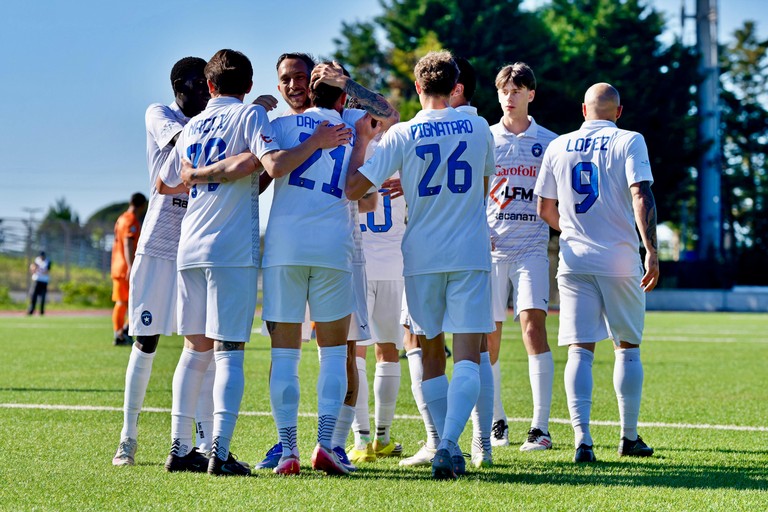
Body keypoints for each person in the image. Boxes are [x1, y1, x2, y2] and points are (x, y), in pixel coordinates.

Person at [161, 49, 350, 477]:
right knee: (230, 352)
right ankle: (222, 453)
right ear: (250, 86)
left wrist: (201, 175)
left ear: (209, 86)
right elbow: (268, 163)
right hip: (231, 249)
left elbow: (173, 179)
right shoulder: (257, 118)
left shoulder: (193, 125)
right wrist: (314, 138)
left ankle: (181, 446)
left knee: (193, 351)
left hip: (189, 245)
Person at [346, 50, 496, 480]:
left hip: (420, 255)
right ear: (455, 87)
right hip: (468, 251)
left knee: (429, 352)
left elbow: (357, 186)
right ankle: (451, 445)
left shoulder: (403, 134)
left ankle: (443, 445)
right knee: (467, 356)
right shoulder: (479, 126)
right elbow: (482, 188)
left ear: (417, 88)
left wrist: (360, 144)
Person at [534, 82, 659, 463]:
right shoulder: (630, 140)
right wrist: (651, 250)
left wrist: (574, 232)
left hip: (574, 259)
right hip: (620, 258)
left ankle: (582, 441)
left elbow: (544, 208)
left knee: (579, 349)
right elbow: (641, 194)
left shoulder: (558, 145)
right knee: (628, 347)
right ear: (618, 112)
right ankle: (628, 437)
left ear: (583, 110)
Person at [111, 56, 211, 467]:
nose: (209, 93)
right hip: (159, 244)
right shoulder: (161, 113)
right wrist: (231, 117)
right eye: (202, 85)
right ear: (181, 86)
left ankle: (201, 440)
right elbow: (175, 156)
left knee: (203, 344)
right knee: (146, 341)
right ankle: (128, 438)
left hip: (200, 243)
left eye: (212, 85)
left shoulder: (211, 117)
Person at [486, 63, 559, 452]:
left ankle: (540, 427)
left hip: (532, 248)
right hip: (492, 249)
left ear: (531, 94)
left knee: (533, 330)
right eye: (504, 90)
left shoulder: (550, 141)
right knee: (490, 336)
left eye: (517, 90)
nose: (510, 96)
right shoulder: (485, 137)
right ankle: (498, 420)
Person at [111, 193, 147, 346]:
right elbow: (128, 242)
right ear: (143, 205)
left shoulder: (121, 218)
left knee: (127, 301)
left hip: (118, 265)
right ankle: (120, 333)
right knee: (126, 302)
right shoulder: (131, 219)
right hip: (125, 267)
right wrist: (131, 266)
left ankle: (123, 331)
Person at [27, 251, 51, 316]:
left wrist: (39, 271)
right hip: (36, 280)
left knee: (42, 297)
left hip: (44, 281)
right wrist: (33, 269)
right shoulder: (37, 260)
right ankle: (31, 310)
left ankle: (41, 312)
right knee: (33, 296)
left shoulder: (47, 261)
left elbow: (47, 271)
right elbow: (32, 267)